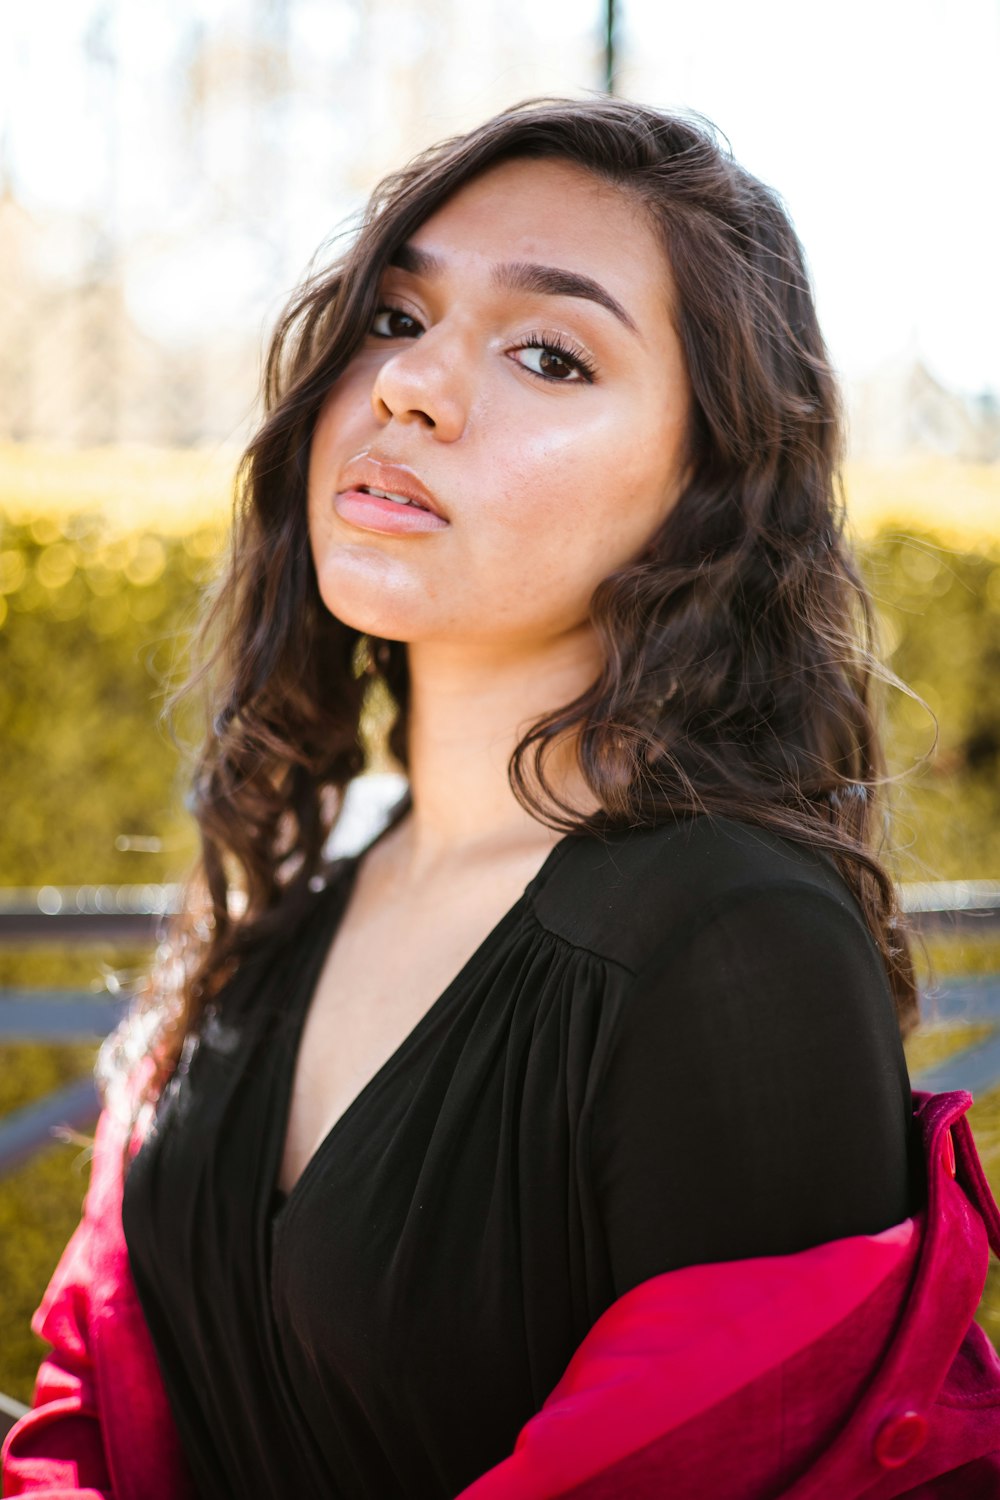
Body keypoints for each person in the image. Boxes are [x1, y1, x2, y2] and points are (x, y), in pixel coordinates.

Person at [5, 95, 1000, 1500]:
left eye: (550, 352)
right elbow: (92, 1414)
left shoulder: (736, 951)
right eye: (398, 319)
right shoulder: (303, 885)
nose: (411, 387)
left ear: (705, 493)